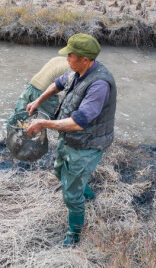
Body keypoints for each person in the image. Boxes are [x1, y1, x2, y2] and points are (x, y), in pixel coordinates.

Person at [25, 33, 117, 246]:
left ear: (85, 59)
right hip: (71, 138)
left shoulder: (99, 84)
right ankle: (85, 191)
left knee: (71, 195)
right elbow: (57, 84)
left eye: (70, 55)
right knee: (59, 171)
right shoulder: (76, 71)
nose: (66, 59)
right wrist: (38, 101)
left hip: (88, 143)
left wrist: (43, 124)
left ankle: (74, 234)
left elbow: (79, 122)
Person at [6, 56, 69, 126]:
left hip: (30, 87)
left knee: (16, 117)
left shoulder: (58, 58)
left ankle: (6, 132)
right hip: (45, 93)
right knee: (50, 123)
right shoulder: (73, 68)